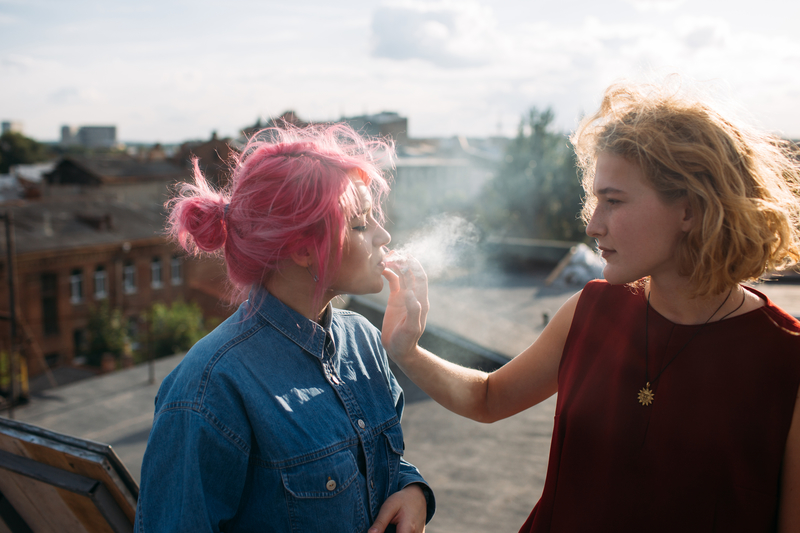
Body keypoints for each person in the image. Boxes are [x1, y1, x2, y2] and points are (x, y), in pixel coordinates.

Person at [381, 79, 800, 533]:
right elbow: (488, 397)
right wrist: (408, 350)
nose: (593, 224)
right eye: (595, 198)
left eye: (613, 201)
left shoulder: (786, 361)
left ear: (690, 210)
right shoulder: (590, 309)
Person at [135, 124, 434, 533]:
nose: (383, 235)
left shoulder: (364, 339)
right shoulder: (209, 389)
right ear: (302, 249)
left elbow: (381, 463)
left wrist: (413, 490)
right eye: (361, 225)